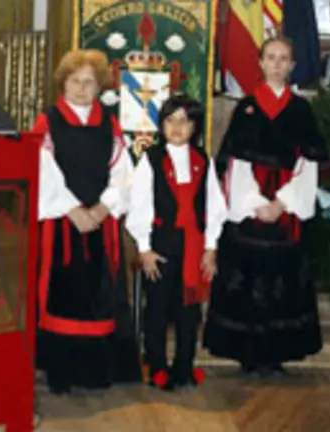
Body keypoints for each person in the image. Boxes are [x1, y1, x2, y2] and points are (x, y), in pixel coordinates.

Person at [202, 37, 330, 377]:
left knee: (283, 286)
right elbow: (234, 164)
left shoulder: (301, 110)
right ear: (260, 63)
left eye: (283, 58)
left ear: (292, 66)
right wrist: (256, 203)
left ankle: (276, 355)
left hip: (286, 215)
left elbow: (308, 163)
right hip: (251, 214)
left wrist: (282, 203)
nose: (276, 64)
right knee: (248, 284)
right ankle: (247, 354)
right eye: (271, 57)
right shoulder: (246, 108)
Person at [33, 48, 141, 394]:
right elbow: (43, 170)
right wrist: (72, 209)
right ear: (63, 83)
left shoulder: (109, 124)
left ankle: (95, 370)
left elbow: (122, 172)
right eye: (75, 81)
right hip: (62, 225)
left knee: (99, 295)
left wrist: (102, 209)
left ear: (99, 86)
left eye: (89, 82)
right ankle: (61, 372)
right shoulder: (48, 122)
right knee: (63, 294)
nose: (81, 89)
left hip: (99, 225)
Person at [125, 95, 226, 390]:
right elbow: (139, 204)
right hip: (161, 245)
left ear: (195, 126)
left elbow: (214, 206)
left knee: (189, 311)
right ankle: (157, 364)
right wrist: (144, 248)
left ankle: (184, 365)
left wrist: (211, 247)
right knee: (157, 310)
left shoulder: (202, 161)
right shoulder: (151, 160)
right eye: (170, 121)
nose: (177, 127)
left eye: (184, 121)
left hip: (193, 247)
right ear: (162, 125)